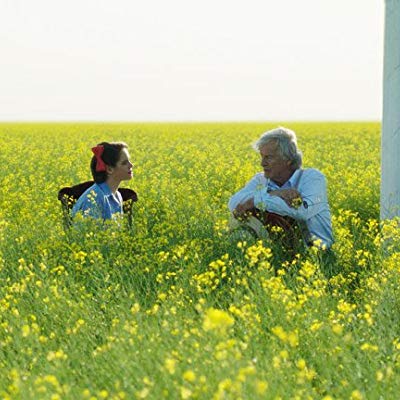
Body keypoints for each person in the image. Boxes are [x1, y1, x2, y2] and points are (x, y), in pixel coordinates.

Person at [228, 127, 333, 249]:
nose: (262, 163)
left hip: (317, 257)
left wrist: (254, 201)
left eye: (269, 157)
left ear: (288, 159)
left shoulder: (312, 178)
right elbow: (234, 203)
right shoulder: (260, 180)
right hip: (274, 256)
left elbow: (303, 212)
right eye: (262, 157)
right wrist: (276, 193)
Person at [72, 141, 133, 220]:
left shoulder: (117, 195)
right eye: (124, 163)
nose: (131, 165)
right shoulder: (94, 199)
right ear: (109, 169)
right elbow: (87, 231)